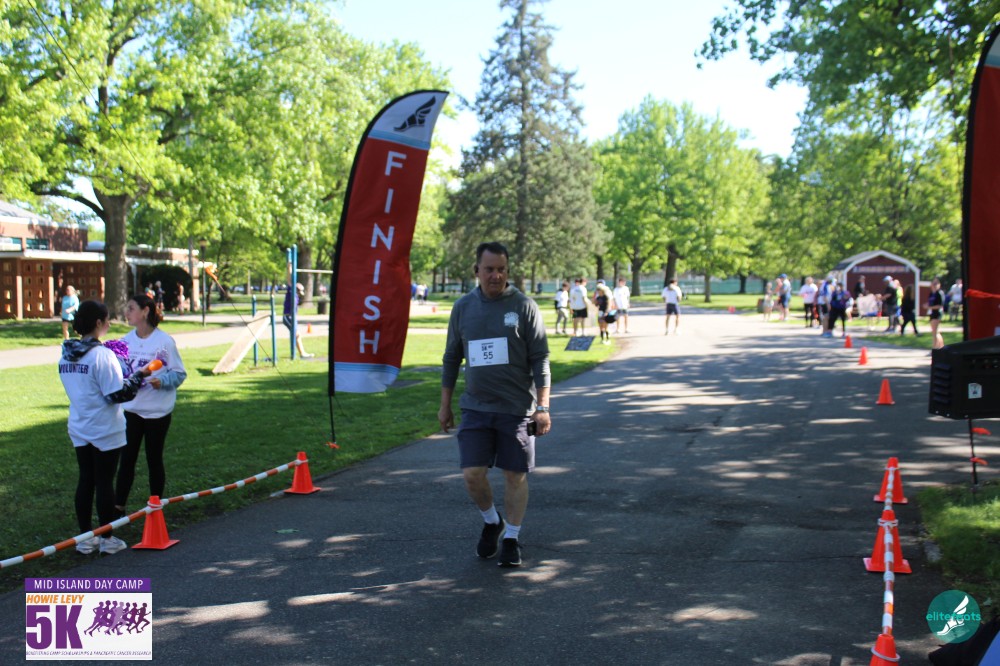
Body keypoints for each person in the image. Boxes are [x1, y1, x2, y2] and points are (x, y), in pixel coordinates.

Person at [438, 241, 551, 568]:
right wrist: (445, 405)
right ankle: (492, 522)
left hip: (516, 409)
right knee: (472, 474)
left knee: (515, 475)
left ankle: (512, 537)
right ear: (477, 270)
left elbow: (540, 358)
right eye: (489, 269)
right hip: (476, 408)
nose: (496, 275)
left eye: (501, 269)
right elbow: (451, 358)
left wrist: (543, 407)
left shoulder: (524, 306)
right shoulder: (463, 308)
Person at [58, 300, 156, 555]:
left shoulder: (66, 353)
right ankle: (106, 538)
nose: (110, 324)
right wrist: (139, 376)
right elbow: (117, 394)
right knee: (104, 482)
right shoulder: (102, 355)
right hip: (104, 427)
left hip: (79, 424)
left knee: (86, 480)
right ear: (99, 323)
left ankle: (85, 538)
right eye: (108, 320)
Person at [114, 293, 187, 517]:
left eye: (131, 308)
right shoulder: (126, 341)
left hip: (157, 413)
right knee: (127, 460)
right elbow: (120, 372)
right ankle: (118, 508)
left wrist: (162, 381)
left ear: (145, 311)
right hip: (132, 411)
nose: (127, 313)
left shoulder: (164, 342)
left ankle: (155, 506)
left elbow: (179, 373)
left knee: (154, 459)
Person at [283, 262, 314, 358]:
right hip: (288, 316)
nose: (300, 294)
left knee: (297, 335)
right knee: (297, 334)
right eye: (299, 291)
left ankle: (301, 353)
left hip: (292, 316)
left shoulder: (296, 295)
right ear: (295, 289)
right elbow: (290, 279)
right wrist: (289, 268)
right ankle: (302, 354)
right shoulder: (291, 292)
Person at [592, 279, 615, 344]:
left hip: (605, 312)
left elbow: (609, 305)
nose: (598, 291)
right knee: (601, 326)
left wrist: (606, 312)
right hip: (600, 312)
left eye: (599, 290)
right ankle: (602, 339)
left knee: (605, 326)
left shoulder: (606, 297)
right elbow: (595, 304)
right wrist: (594, 300)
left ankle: (607, 339)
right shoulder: (598, 297)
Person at [928, 278, 946, 349]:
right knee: (935, 332)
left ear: (939, 285)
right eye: (933, 283)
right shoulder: (931, 293)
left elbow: (940, 305)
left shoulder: (939, 293)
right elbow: (930, 303)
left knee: (935, 332)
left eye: (936, 284)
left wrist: (929, 307)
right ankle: (941, 347)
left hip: (937, 313)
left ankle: (935, 348)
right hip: (932, 313)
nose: (934, 285)